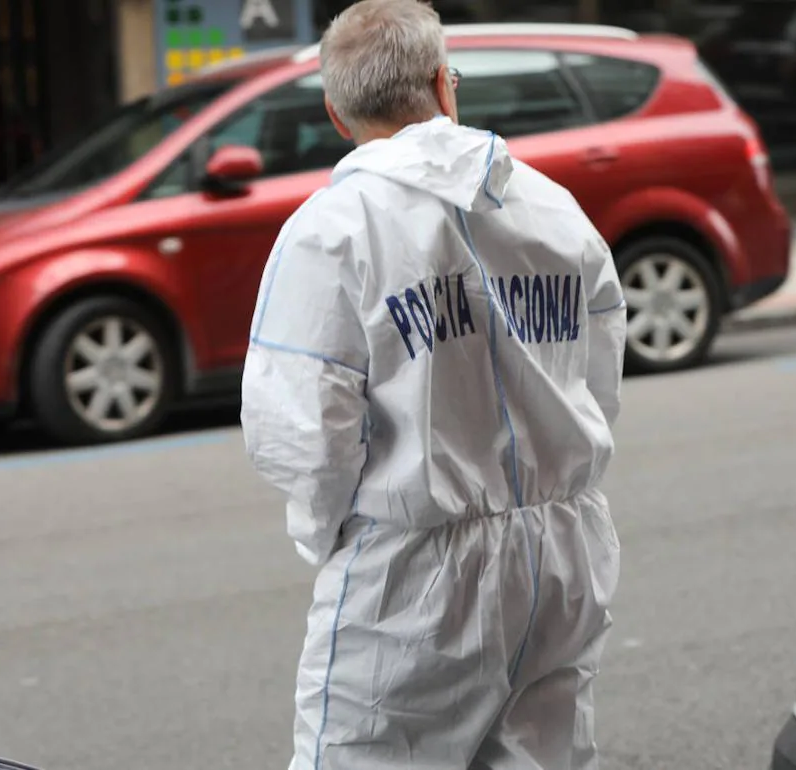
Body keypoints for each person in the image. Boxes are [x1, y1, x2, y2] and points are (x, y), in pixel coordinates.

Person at [240, 0, 627, 766]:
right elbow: (597, 380)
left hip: (414, 572)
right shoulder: (554, 209)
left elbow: (306, 433)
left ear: (335, 113)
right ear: (444, 85)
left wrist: (335, 540)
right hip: (562, 558)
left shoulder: (331, 230)